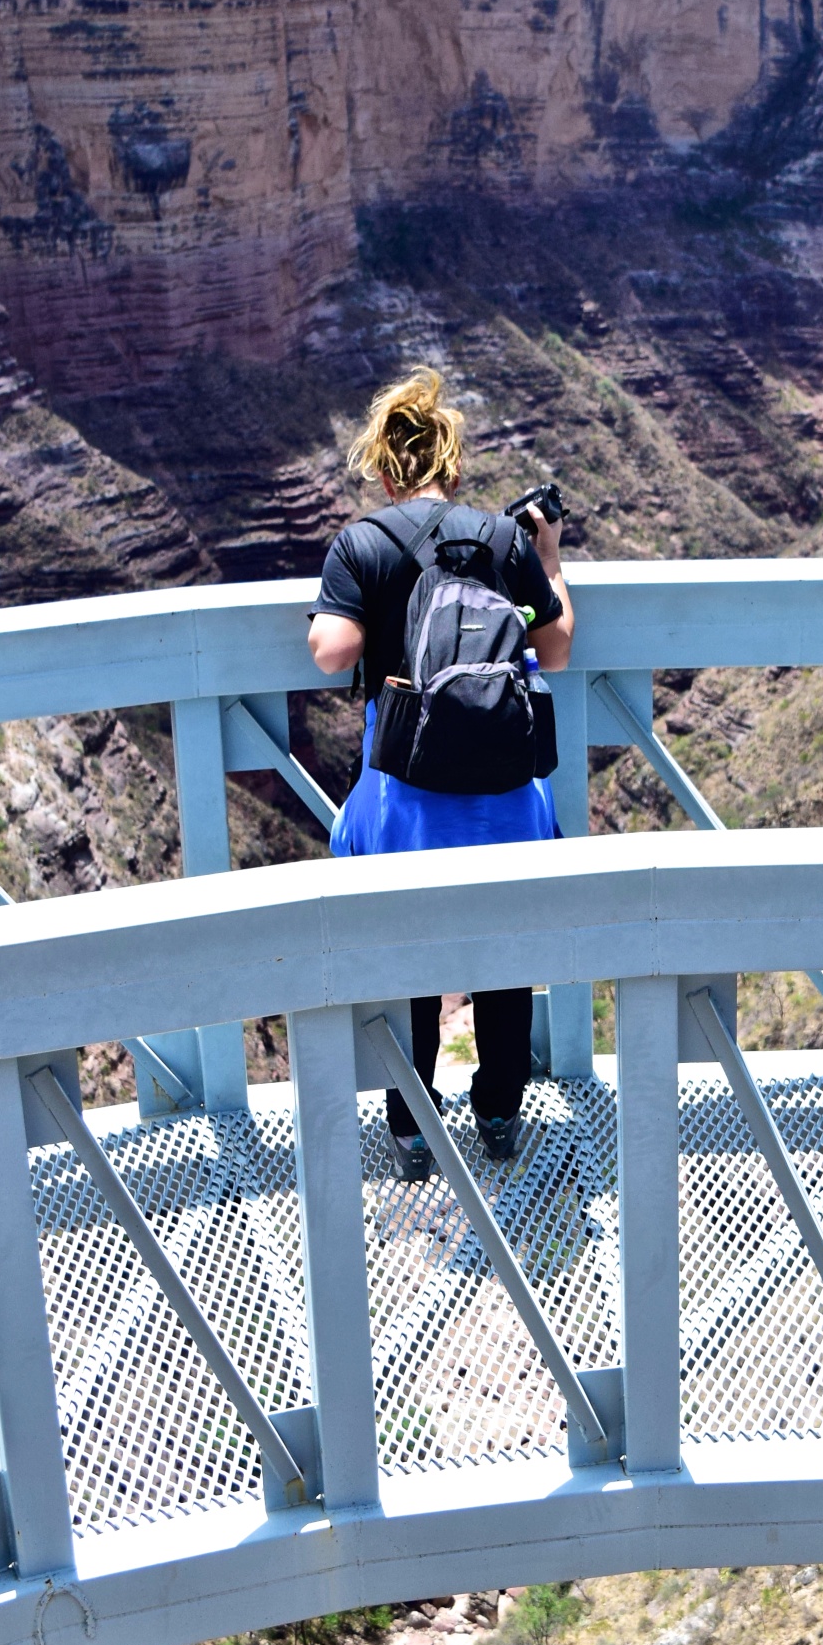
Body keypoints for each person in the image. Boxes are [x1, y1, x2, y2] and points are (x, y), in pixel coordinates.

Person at [307, 369, 574, 1180]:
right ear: (453, 467)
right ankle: (498, 1112)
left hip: (406, 802)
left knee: (407, 959)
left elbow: (332, 653)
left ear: (384, 471)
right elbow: (556, 646)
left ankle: (414, 1128)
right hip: (506, 797)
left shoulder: (362, 543)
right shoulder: (501, 540)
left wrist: (352, 609)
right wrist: (549, 556)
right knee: (505, 958)